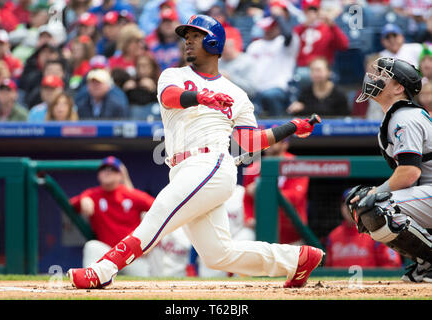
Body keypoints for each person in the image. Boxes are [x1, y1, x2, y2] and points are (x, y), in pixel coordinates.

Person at [67, 14, 323, 289]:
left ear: (213, 43)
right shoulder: (173, 75)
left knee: (159, 212)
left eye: (196, 37)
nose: (188, 42)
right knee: (218, 255)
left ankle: (103, 270)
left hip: (209, 163)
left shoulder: (236, 93)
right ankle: (297, 258)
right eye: (186, 38)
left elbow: (248, 143)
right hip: (181, 169)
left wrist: (290, 127)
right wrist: (200, 97)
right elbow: (170, 98)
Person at [348, 57, 432, 283]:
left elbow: (409, 173)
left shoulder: (405, 117)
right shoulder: (397, 115)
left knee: (377, 206)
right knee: (363, 202)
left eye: (384, 75)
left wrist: (376, 193)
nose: (374, 77)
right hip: (427, 193)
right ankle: (426, 264)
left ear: (398, 87)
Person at [69, 156, 154, 277]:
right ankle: (89, 282)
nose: (107, 172)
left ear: (120, 175)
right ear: (98, 174)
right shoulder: (92, 194)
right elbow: (71, 204)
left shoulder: (131, 194)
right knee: (91, 246)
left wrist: (149, 240)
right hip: (107, 253)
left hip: (131, 256)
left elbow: (159, 208)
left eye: (112, 169)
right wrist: (82, 200)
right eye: (104, 169)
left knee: (147, 286)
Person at [242, 138, 309, 245]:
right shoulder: (254, 167)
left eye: (274, 140)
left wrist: (263, 191)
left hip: (292, 235)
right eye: (267, 140)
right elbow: (246, 199)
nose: (269, 143)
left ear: (285, 144)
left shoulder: (296, 163)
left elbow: (296, 197)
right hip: (262, 234)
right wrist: (249, 217)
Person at [325, 189, 403, 268]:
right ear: (341, 207)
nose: (349, 208)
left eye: (354, 203)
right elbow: (327, 269)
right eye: (346, 204)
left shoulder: (377, 231)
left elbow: (392, 266)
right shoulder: (333, 236)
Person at [245, 9, 300, 117]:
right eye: (267, 28)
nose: (269, 30)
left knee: (270, 95)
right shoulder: (255, 45)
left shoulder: (283, 42)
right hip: (256, 88)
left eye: (272, 27)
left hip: (279, 88)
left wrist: (279, 17)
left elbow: (288, 35)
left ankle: (279, 128)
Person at [292, 0, 348, 87]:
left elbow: (344, 45)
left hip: (323, 67)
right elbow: (290, 44)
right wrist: (304, 26)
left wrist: (332, 25)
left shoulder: (328, 28)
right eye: (308, 10)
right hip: (303, 68)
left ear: (319, 10)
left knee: (318, 74)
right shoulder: (299, 29)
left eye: (314, 10)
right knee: (301, 75)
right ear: (304, 12)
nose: (312, 13)